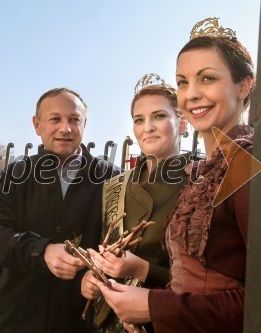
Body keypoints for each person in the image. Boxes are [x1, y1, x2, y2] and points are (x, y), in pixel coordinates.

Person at [98, 18, 261, 333]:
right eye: (183, 82)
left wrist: (153, 306)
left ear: (243, 85)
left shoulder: (247, 162)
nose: (192, 94)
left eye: (207, 78)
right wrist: (147, 304)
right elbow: (192, 280)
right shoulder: (206, 170)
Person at [0, 87, 119, 333]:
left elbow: (121, 244)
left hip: (82, 323)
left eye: (74, 120)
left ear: (84, 123)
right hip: (18, 322)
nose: (65, 128)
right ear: (37, 125)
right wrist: (41, 250)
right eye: (55, 119)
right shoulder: (13, 176)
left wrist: (97, 272)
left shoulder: (112, 178)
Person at [80, 74, 188, 333]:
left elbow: (207, 283)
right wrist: (90, 277)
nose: (148, 127)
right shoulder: (114, 185)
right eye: (139, 120)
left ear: (183, 124)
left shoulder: (197, 184)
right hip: (109, 323)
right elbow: (101, 248)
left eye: (159, 116)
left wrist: (143, 270)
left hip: (164, 322)